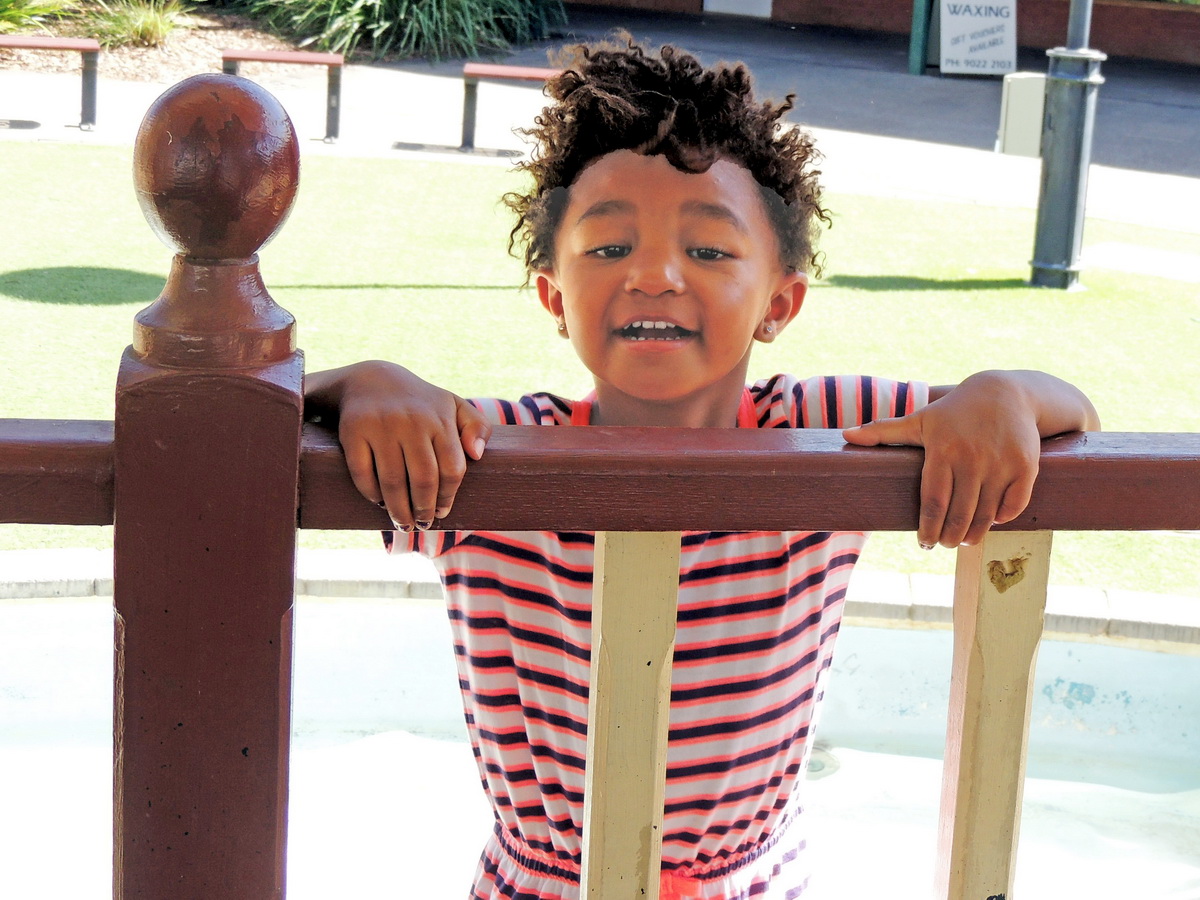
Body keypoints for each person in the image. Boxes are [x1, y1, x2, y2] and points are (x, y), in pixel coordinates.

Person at [304, 38, 1099, 900]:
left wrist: (1001, 392)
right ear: (554, 296)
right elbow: (244, 434)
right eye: (608, 248)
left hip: (756, 883)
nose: (653, 275)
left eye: (710, 251)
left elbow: (1073, 415)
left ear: (779, 302)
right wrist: (358, 385)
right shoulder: (486, 453)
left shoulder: (827, 432)